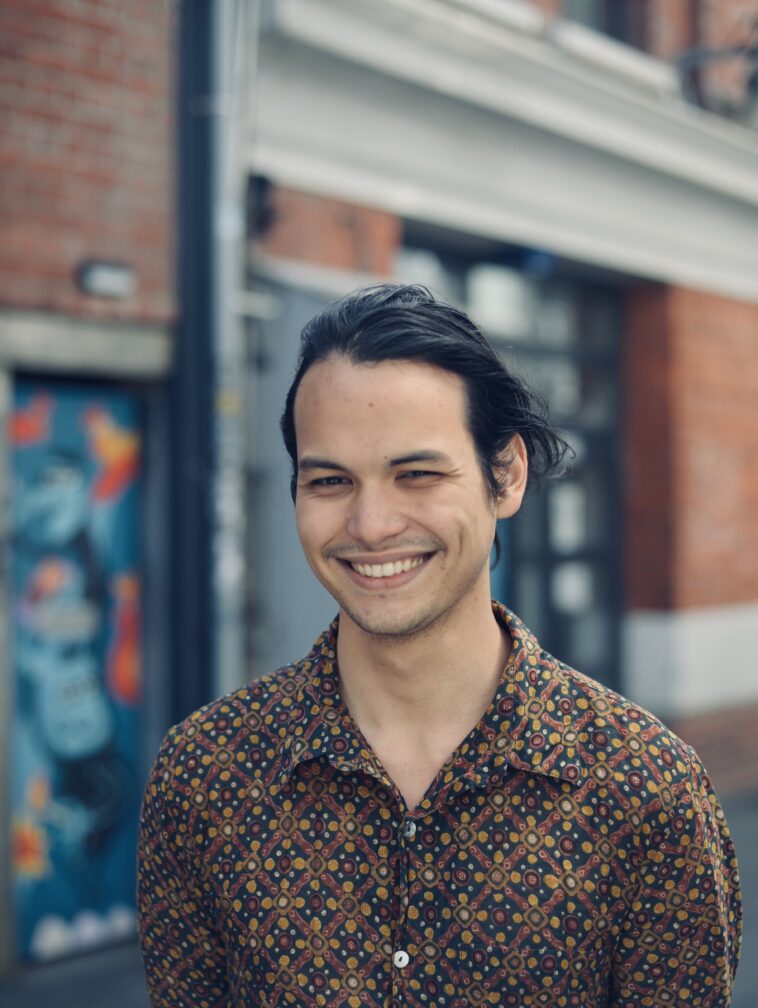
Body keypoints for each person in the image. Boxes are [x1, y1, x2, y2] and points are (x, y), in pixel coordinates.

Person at [138, 284, 741, 1007]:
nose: (369, 524)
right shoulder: (204, 775)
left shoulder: (646, 789)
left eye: (416, 474)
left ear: (507, 475)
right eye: (330, 481)